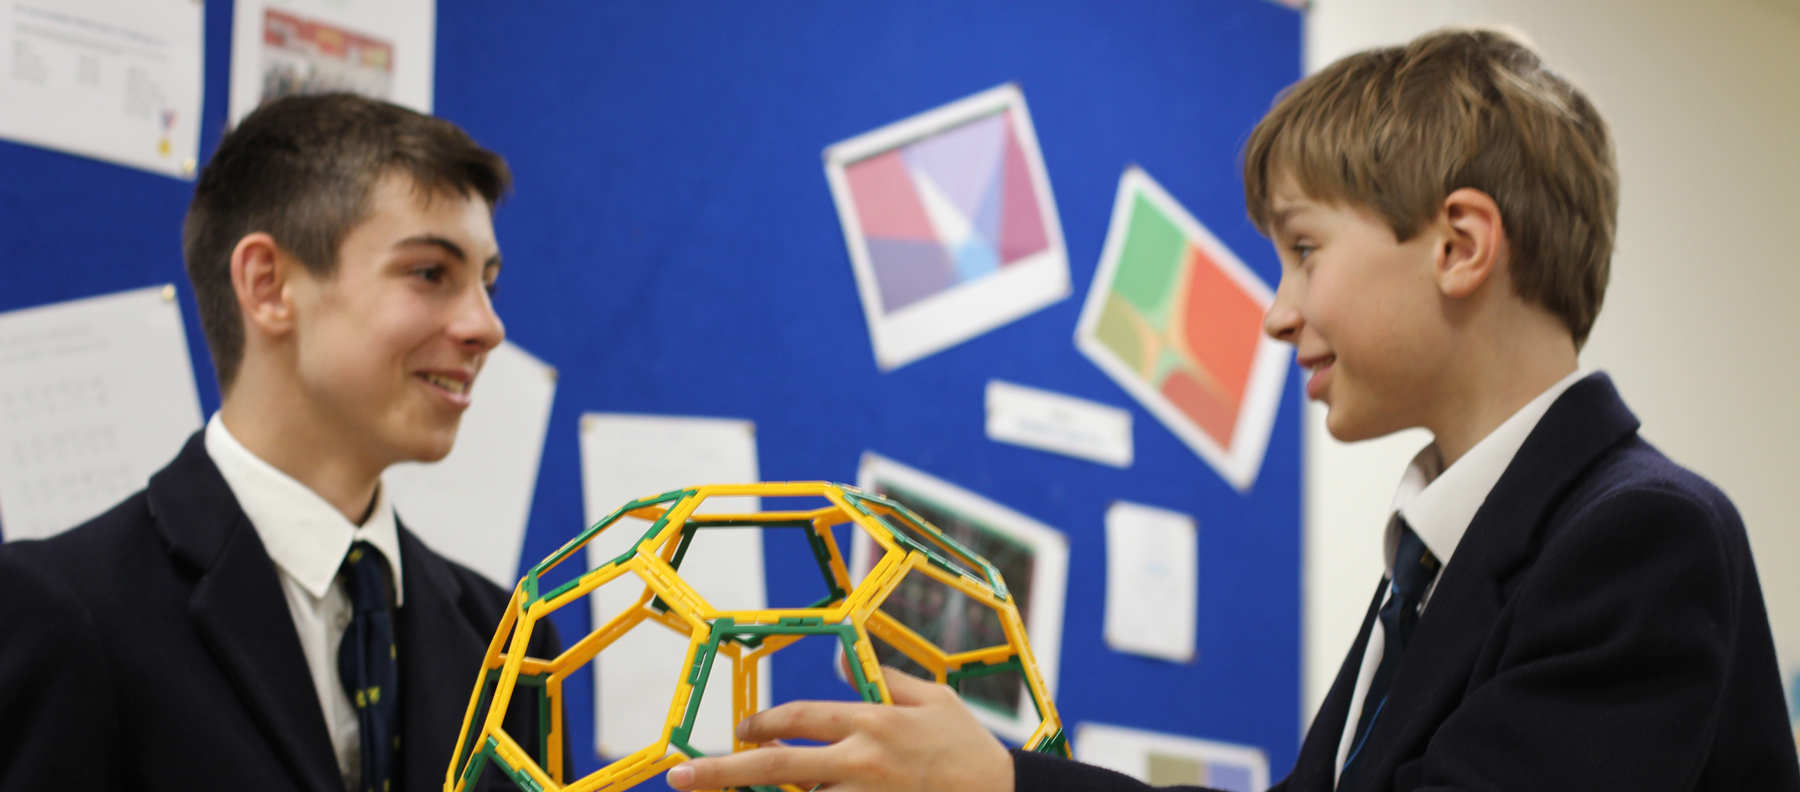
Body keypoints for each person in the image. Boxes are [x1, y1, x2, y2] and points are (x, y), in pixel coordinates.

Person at [664, 28, 1800, 792]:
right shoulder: (1441, 566)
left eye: (1304, 252)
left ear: (1459, 246)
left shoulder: (1641, 539)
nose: (1274, 313)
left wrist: (1006, 782)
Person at [0, 93, 560, 792]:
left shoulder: (510, 644)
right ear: (268, 285)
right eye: (430, 274)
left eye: (489, 283)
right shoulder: (65, 612)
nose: (487, 327)